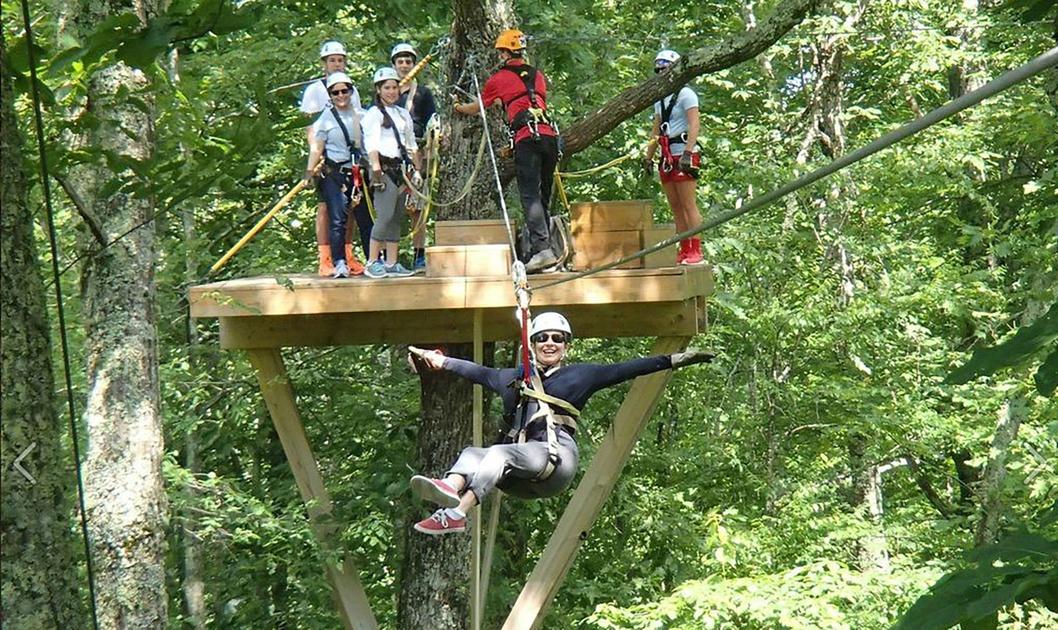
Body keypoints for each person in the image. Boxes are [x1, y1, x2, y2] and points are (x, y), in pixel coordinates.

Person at [407, 312, 714, 535]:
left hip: (556, 459)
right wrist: (438, 360)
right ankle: (449, 486)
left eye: (557, 339)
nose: (550, 343)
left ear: (566, 345)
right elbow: (474, 370)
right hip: (519, 472)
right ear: (533, 344)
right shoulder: (513, 379)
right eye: (542, 338)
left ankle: (457, 513)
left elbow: (628, 368)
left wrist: (675, 359)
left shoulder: (581, 376)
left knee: (498, 452)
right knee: (473, 453)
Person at [453, 29, 560, 273]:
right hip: (548, 136)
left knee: (530, 195)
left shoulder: (498, 78)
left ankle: (542, 250)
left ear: (504, 52)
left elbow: (479, 106)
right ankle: (543, 249)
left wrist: (459, 107)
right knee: (543, 194)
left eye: (500, 52)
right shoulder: (538, 75)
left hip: (527, 137)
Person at [299, 41, 371, 275]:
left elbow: (358, 122)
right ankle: (326, 257)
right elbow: (310, 126)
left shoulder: (352, 89)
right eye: (332, 60)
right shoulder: (315, 90)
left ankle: (347, 254)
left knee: (350, 208)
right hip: (325, 156)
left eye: (340, 59)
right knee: (326, 208)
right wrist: (316, 159)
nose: (337, 64)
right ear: (324, 63)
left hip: (350, 159)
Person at [644, 49, 706, 266]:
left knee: (688, 204)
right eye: (659, 70)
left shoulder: (686, 94)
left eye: (665, 69)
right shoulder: (660, 99)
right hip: (667, 156)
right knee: (675, 205)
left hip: (683, 152)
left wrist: (688, 153)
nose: (661, 73)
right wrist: (648, 157)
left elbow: (694, 124)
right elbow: (655, 130)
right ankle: (684, 247)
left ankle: (695, 249)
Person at [361, 67, 422, 278]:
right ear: (378, 90)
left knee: (396, 216)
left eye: (395, 87)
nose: (391, 92)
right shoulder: (374, 114)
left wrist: (417, 170)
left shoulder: (402, 113)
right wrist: (376, 169)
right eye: (387, 88)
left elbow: (411, 144)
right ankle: (372, 261)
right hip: (383, 168)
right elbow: (371, 143)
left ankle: (392, 262)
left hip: (401, 169)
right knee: (384, 215)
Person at [391, 43, 438, 272]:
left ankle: (420, 255)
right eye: (400, 61)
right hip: (391, 153)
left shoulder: (423, 93)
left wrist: (431, 147)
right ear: (394, 65)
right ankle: (389, 257)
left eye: (408, 61)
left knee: (417, 206)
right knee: (392, 205)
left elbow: (432, 121)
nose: (404, 65)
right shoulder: (387, 91)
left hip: (417, 150)